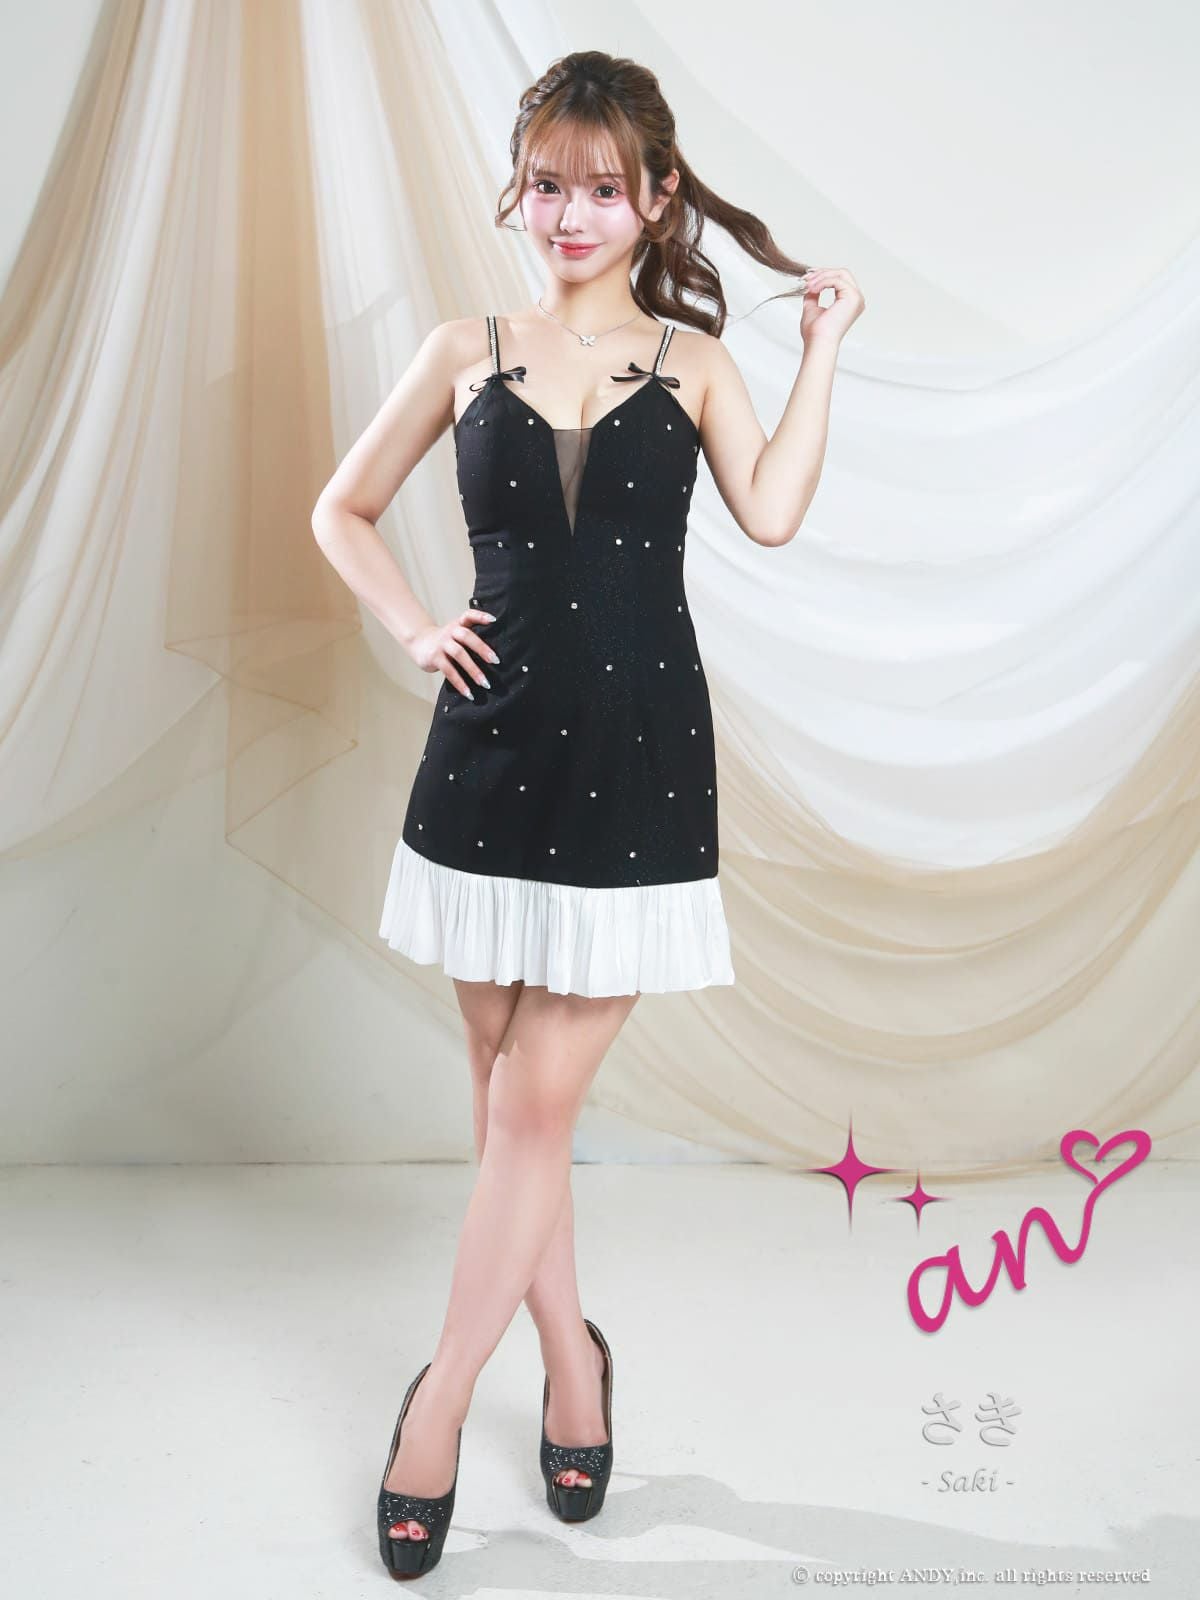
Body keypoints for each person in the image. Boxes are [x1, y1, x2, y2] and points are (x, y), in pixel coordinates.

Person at [311, 47, 863, 1580]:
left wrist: (823, 348)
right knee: (509, 1108)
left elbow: (773, 510)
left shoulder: (695, 362)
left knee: (529, 1111)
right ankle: (573, 1364)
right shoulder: (463, 347)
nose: (569, 212)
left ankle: (437, 1408)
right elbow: (338, 508)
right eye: (547, 184)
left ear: (656, 198)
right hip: (484, 762)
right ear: (521, 190)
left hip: (636, 761)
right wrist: (416, 624)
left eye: (602, 188)